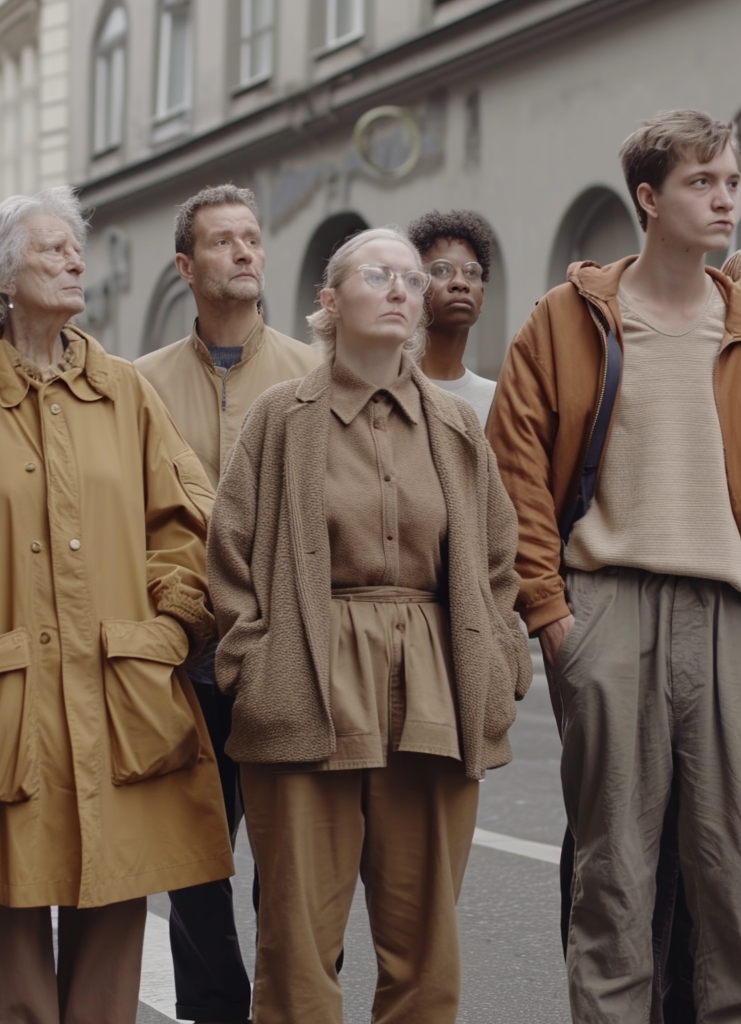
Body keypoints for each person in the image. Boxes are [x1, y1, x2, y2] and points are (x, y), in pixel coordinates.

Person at [0, 185, 235, 1024]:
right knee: (8, 909)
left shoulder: (123, 391)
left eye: (75, 248)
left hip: (125, 693)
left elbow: (187, 522)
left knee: (115, 902)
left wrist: (168, 628)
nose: (75, 260)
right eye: (52, 250)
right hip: (7, 699)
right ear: (3, 278)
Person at [208, 225, 532, 1024]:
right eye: (377, 274)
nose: (400, 289)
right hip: (305, 680)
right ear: (329, 302)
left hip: (435, 685)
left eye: (411, 280)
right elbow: (231, 555)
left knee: (425, 942)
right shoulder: (280, 419)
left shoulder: (456, 430)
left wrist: (500, 659)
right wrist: (255, 663)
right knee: (296, 941)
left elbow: (496, 563)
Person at [486, 109, 741, 1023]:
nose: (725, 201)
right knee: (614, 871)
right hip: (608, 605)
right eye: (702, 182)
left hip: (730, 615)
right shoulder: (567, 321)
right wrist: (553, 615)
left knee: (731, 868)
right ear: (648, 197)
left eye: (732, 183)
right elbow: (514, 469)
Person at [135, 183, 320, 1024]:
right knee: (193, 859)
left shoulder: (315, 374)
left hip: (290, 653)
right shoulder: (137, 386)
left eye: (252, 238)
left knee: (296, 860)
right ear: (186, 265)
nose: (245, 251)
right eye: (223, 241)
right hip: (182, 660)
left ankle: (290, 1003)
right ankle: (213, 1010)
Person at [407, 210, 496, 426]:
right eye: (442, 270)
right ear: (415, 286)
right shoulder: (387, 389)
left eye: (471, 272)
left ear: (481, 295)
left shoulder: (499, 399)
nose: (460, 283)